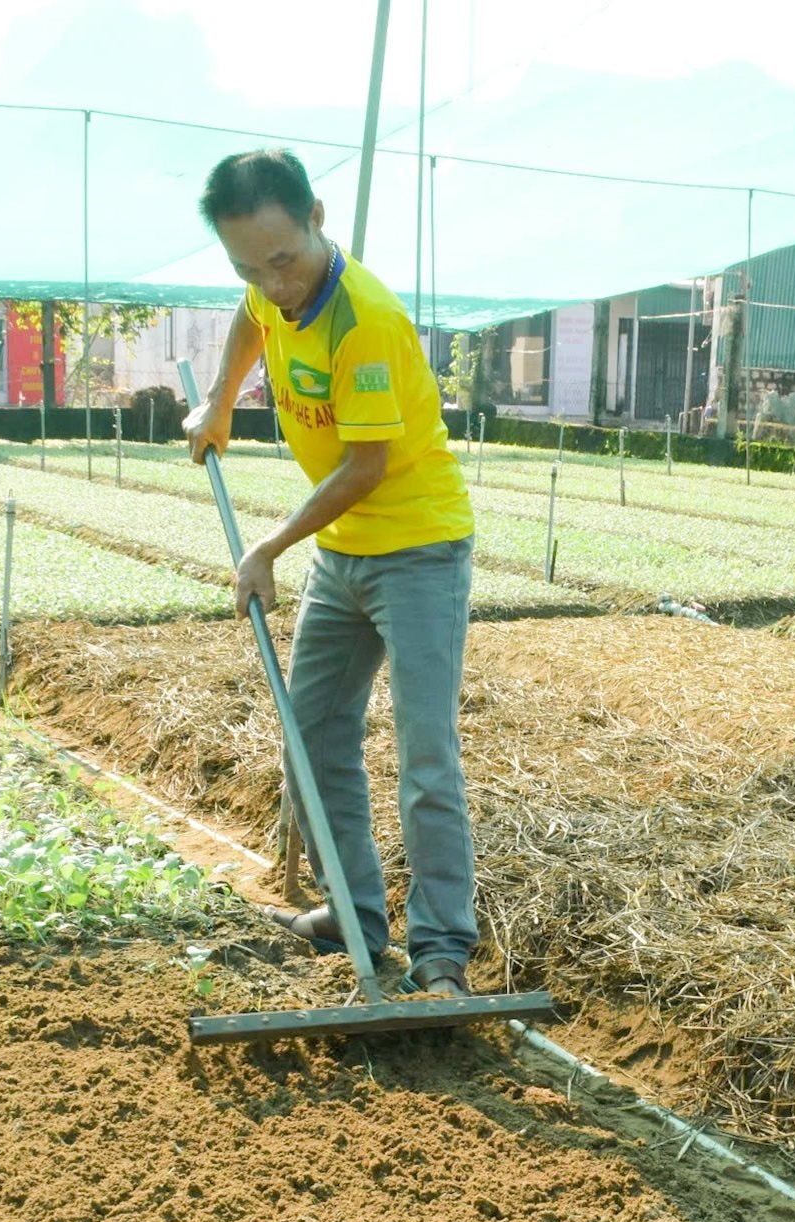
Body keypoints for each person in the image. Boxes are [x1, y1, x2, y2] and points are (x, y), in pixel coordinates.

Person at [185, 147, 479, 999]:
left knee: (426, 753)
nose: (272, 282)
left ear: (317, 219)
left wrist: (268, 546)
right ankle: (352, 911)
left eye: (282, 259)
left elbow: (365, 466)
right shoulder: (266, 286)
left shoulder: (368, 320)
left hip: (417, 547)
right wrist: (217, 398)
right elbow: (251, 318)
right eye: (249, 265)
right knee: (311, 730)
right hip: (344, 551)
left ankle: (442, 950)